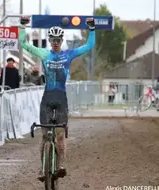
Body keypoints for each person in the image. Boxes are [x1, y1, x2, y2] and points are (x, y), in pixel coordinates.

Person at [19, 16, 95, 181]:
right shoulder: (44, 53)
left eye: (58, 40)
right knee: (45, 136)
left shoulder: (68, 54)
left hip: (61, 99)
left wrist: (91, 29)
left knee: (60, 136)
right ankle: (42, 168)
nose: (55, 42)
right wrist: (22, 26)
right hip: (47, 98)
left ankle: (60, 165)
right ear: (49, 40)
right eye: (52, 40)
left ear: (61, 40)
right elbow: (24, 44)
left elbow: (89, 46)